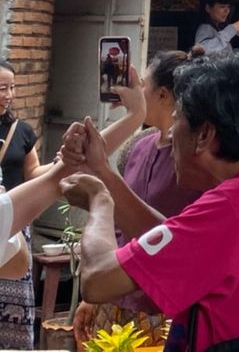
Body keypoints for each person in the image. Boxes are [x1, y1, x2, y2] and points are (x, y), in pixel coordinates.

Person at [59, 53, 239, 351]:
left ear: (204, 135)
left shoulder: (227, 209)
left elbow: (98, 279)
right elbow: (173, 240)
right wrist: (101, 170)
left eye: (177, 121)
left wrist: (99, 201)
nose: (171, 134)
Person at [0, 58, 144, 350]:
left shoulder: (20, 131)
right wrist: (136, 115)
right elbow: (18, 263)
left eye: (12, 87)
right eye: (3, 88)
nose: (9, 95)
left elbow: (50, 176)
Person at [72, 50, 204, 346]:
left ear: (162, 95)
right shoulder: (140, 146)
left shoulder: (195, 160)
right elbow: (118, 225)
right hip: (114, 295)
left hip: (160, 306)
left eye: (142, 85)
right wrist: (93, 297)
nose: (136, 91)